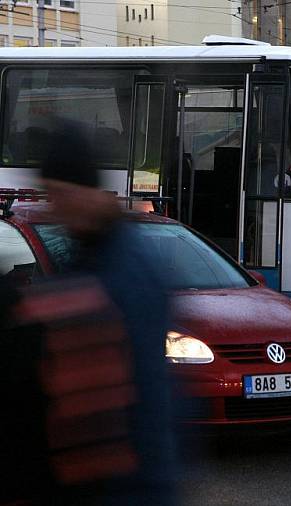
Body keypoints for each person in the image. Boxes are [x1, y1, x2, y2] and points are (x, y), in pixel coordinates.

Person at [3, 126, 177, 505]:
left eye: (60, 194)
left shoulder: (119, 274)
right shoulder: (97, 253)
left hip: (126, 487)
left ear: (85, 190)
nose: (55, 206)